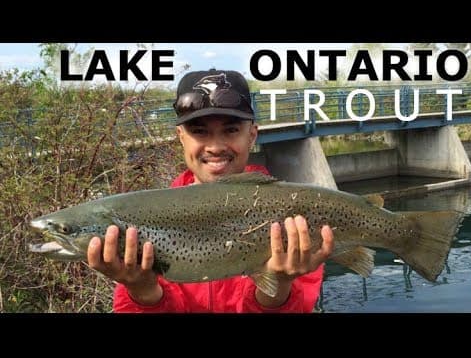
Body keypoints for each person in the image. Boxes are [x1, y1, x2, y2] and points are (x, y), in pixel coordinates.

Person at [87, 69, 335, 312]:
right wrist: (143, 291)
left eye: (230, 130)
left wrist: (278, 288)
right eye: (199, 131)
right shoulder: (144, 221)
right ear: (180, 137)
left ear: (252, 135)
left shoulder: (296, 214)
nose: (215, 146)